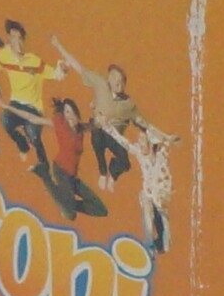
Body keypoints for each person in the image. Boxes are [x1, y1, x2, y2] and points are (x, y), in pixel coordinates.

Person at [51, 37, 177, 192]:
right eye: (114, 78)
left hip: (115, 137)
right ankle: (103, 172)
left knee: (125, 162)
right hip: (99, 130)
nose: (118, 83)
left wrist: (166, 137)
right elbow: (79, 68)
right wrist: (59, 46)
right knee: (97, 134)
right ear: (109, 78)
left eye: (121, 81)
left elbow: (145, 124)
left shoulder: (128, 104)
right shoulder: (100, 83)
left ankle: (111, 173)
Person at [0, 21, 65, 170]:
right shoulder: (3, 56)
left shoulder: (34, 61)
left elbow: (56, 75)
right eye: (13, 38)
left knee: (33, 135)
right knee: (5, 120)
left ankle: (43, 164)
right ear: (8, 38)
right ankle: (22, 145)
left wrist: (62, 68)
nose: (17, 42)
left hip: (34, 108)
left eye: (20, 38)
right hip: (16, 103)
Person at [26, 98, 108, 221]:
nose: (70, 115)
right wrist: (11, 109)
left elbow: (96, 124)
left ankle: (66, 204)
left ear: (76, 113)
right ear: (64, 115)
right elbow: (35, 119)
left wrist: (97, 112)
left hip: (72, 177)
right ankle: (43, 174)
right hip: (61, 171)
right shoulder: (61, 126)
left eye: (72, 112)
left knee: (101, 210)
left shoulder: (80, 129)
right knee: (70, 215)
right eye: (67, 112)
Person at [127, 126, 177, 254]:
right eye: (139, 139)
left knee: (162, 215)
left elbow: (169, 141)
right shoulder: (140, 153)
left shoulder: (162, 155)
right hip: (149, 193)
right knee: (146, 203)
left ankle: (165, 243)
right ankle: (149, 244)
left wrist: (160, 136)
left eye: (143, 139)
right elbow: (124, 143)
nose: (139, 141)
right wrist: (108, 127)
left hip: (161, 193)